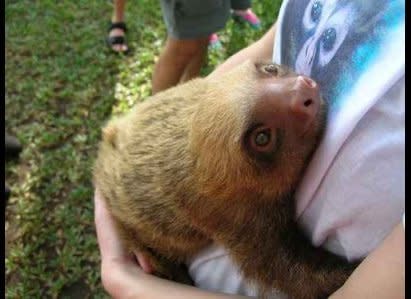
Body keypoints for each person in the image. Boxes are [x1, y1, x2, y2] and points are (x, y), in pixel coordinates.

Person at [95, 0, 405, 298]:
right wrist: (123, 270)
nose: (300, 86)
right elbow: (291, 271)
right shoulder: (240, 208)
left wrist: (124, 282)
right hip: (141, 213)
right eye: (263, 138)